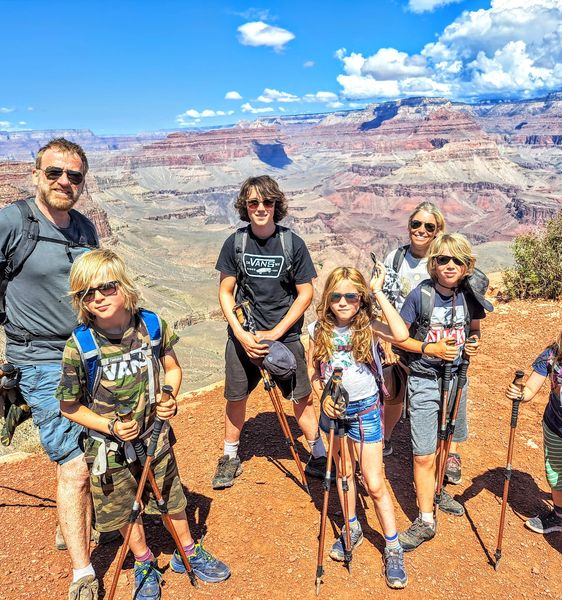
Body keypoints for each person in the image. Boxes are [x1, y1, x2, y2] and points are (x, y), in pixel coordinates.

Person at [57, 249, 231, 600]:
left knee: (171, 494)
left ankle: (188, 550)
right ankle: (144, 560)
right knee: (126, 506)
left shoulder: (151, 325)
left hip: (155, 436)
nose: (98, 298)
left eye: (106, 287)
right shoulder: (80, 346)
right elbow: (68, 407)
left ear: (123, 286)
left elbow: (173, 368)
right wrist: (109, 426)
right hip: (110, 448)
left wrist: (169, 395)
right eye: (87, 294)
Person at [0, 138, 101, 599]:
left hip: (86, 350)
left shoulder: (83, 227)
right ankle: (82, 571)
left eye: (74, 176)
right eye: (55, 172)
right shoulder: (11, 221)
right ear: (36, 173)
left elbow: (97, 286)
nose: (64, 182)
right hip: (38, 359)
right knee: (75, 465)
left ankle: (72, 522)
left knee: (98, 443)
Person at [212, 175, 326, 489]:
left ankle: (318, 453)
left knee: (301, 396)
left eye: (267, 202)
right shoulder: (236, 243)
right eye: (253, 202)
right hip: (244, 334)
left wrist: (276, 332)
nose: (260, 208)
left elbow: (305, 293)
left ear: (276, 205)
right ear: (244, 207)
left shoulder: (292, 243)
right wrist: (241, 334)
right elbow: (225, 292)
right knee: (235, 397)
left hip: (284, 336)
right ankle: (230, 456)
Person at [307, 265, 410, 589]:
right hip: (336, 412)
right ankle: (352, 526)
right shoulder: (317, 331)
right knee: (344, 474)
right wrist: (321, 397)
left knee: (375, 483)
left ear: (360, 299)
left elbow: (403, 335)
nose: (342, 302)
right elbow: (314, 373)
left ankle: (392, 546)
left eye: (351, 296)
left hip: (366, 412)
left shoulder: (369, 328)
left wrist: (377, 292)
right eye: (336, 296)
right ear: (327, 299)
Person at [395, 233, 485, 551]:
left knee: (445, 440)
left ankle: (436, 491)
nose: (449, 265)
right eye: (442, 259)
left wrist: (472, 343)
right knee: (423, 453)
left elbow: (473, 328)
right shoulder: (421, 295)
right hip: (423, 379)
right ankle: (425, 520)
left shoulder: (469, 295)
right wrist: (430, 347)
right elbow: (399, 338)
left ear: (466, 265)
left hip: (456, 378)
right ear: (433, 263)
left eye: (456, 260)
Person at [505, 303, 562, 600]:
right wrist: (521, 394)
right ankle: (560, 517)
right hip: (556, 427)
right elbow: (532, 389)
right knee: (556, 475)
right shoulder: (554, 354)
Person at [381, 202, 445, 460]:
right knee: (394, 387)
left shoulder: (442, 260)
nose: (421, 230)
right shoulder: (395, 258)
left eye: (428, 226)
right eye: (416, 223)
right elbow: (384, 298)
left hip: (433, 338)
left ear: (437, 231)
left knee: (435, 392)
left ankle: (442, 450)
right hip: (399, 334)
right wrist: (385, 336)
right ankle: (386, 437)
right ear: (408, 226)